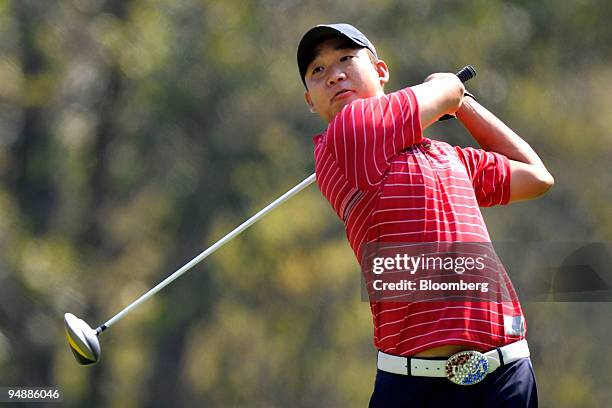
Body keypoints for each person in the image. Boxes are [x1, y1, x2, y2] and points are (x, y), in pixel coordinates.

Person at [297, 23, 553, 407]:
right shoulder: (344, 136)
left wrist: (463, 103)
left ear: (381, 72)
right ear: (310, 102)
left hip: (505, 373)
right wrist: (449, 89)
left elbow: (536, 176)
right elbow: (444, 91)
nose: (334, 74)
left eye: (346, 59)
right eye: (318, 71)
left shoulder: (446, 156)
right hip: (413, 386)